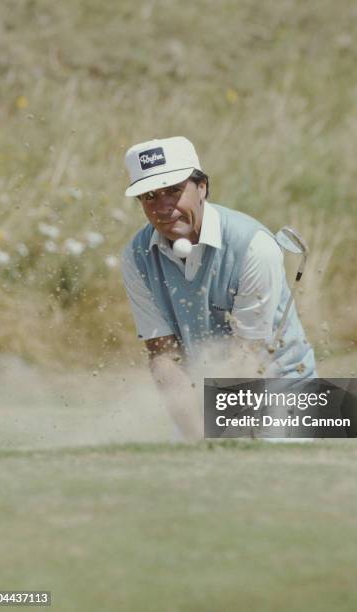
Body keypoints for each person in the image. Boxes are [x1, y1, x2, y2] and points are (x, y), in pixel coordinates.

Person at [121, 136, 316, 438]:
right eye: (149, 196)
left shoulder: (254, 246)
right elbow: (164, 357)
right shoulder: (137, 256)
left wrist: (220, 439)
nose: (163, 207)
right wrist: (198, 436)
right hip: (203, 396)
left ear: (202, 188)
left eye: (174, 191)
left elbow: (247, 355)